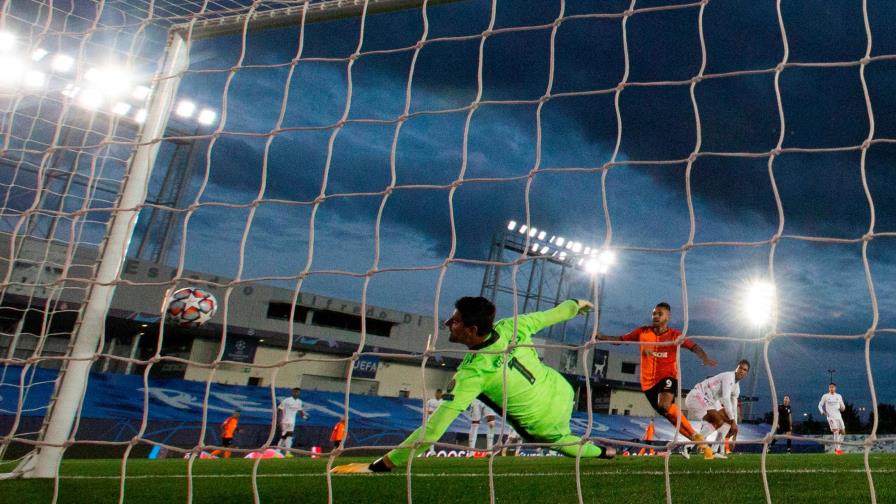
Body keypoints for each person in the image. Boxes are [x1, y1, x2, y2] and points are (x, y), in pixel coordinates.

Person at [331, 297, 615, 473]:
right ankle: (608, 450)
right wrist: (577, 305)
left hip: (545, 423)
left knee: (567, 446)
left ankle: (606, 452)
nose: (447, 323)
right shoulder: (512, 326)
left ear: (472, 330)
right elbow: (554, 314)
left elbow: (433, 430)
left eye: (454, 321)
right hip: (562, 388)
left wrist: (381, 464)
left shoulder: (472, 373)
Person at [597, 302, 717, 457]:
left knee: (664, 404)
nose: (655, 316)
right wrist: (601, 337)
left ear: (668, 316)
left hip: (668, 377)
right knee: (667, 413)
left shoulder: (675, 336)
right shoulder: (642, 332)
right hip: (648, 384)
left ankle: (696, 438)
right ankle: (697, 439)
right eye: (654, 313)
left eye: (659, 313)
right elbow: (621, 340)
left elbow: (694, 346)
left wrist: (705, 358)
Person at [684, 360, 750, 460]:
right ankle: (687, 447)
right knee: (719, 420)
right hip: (697, 396)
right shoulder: (728, 377)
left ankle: (714, 451)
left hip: (709, 401)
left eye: (745, 370)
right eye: (740, 368)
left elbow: (733, 407)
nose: (742, 371)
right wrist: (732, 421)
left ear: (746, 373)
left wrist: (734, 425)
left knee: (726, 423)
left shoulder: (736, 388)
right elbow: (725, 398)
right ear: (736, 368)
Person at [278, 387, 309, 458]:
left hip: (292, 421)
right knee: (289, 435)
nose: (296, 393)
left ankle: (278, 451)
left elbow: (300, 411)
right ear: (292, 392)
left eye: (298, 392)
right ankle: (287, 453)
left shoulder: (299, 401)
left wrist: (304, 417)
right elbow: (279, 409)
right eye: (295, 392)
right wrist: (279, 420)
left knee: (284, 436)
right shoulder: (286, 400)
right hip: (285, 420)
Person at [818, 383, 846, 455]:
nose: (831, 388)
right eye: (830, 387)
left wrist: (843, 408)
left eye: (833, 387)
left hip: (838, 416)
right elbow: (820, 405)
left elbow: (843, 406)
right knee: (836, 431)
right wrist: (822, 412)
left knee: (843, 432)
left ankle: (838, 447)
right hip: (831, 417)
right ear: (828, 388)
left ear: (835, 388)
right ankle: (837, 450)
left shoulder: (839, 396)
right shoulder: (825, 396)